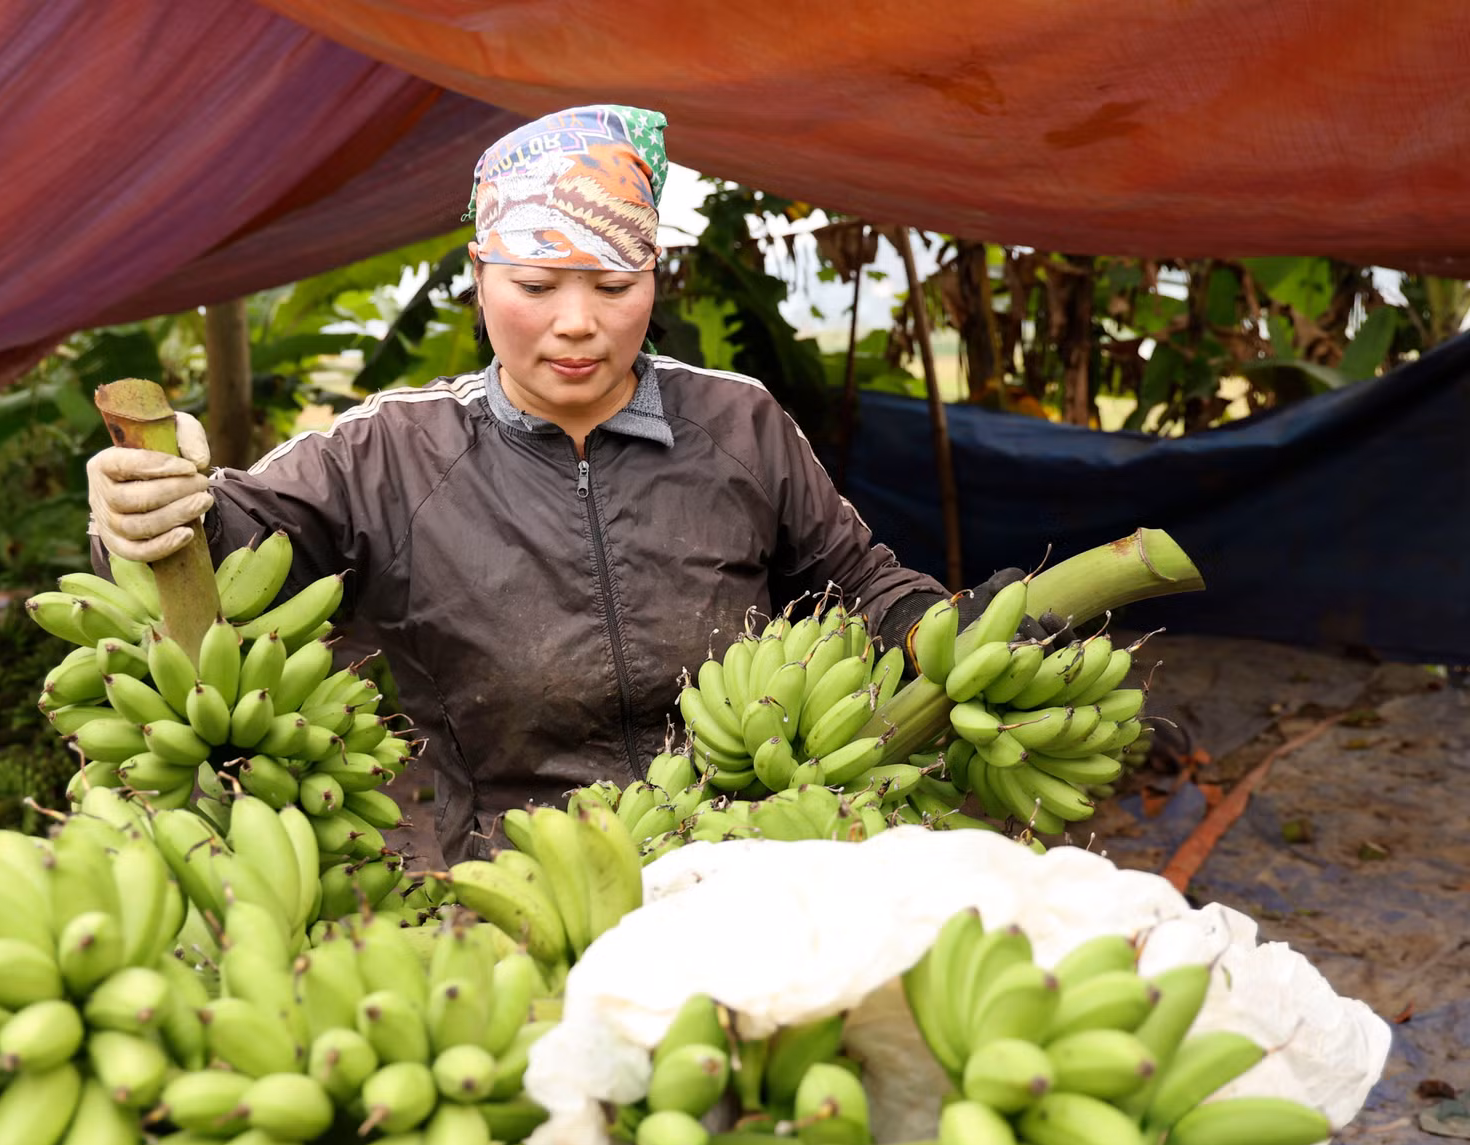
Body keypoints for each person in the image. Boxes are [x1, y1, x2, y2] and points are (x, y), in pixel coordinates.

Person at [88, 105, 1032, 864]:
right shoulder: (390, 451)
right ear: (479, 277)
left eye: (613, 287)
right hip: (518, 877)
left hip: (751, 851)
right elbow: (227, 545)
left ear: (655, 278)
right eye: (537, 287)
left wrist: (935, 626)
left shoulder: (738, 424)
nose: (577, 325)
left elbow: (858, 577)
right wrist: (145, 503)